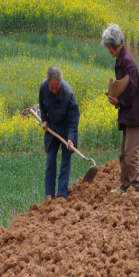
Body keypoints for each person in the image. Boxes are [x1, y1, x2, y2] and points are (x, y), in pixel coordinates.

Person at [102, 24, 139, 194]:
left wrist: (118, 101)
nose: (109, 51)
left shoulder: (128, 62)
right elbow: (125, 86)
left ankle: (138, 188)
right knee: (123, 152)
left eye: (109, 47)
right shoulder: (121, 59)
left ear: (115, 44)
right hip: (128, 112)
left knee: (130, 154)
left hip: (134, 113)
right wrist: (114, 92)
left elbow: (132, 91)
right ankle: (125, 186)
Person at [39, 66, 81, 200]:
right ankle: (49, 197)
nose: (54, 90)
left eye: (57, 88)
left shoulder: (68, 94)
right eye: (52, 88)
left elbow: (74, 118)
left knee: (65, 161)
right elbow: (41, 104)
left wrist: (71, 139)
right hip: (52, 130)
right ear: (48, 83)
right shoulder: (44, 87)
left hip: (67, 130)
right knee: (50, 161)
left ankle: (62, 195)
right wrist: (44, 120)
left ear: (60, 83)